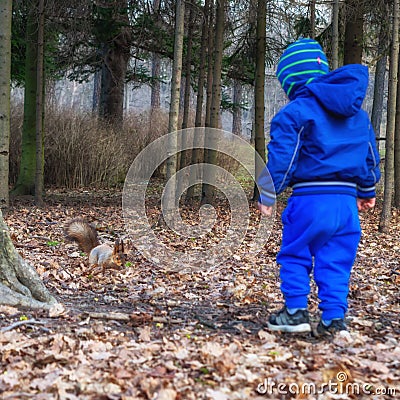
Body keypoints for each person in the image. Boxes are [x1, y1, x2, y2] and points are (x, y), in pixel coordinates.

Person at [257, 38, 381, 335]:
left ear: (291, 81)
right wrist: (366, 191)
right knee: (337, 259)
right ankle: (334, 319)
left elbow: (282, 157)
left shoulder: (294, 113)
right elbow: (369, 156)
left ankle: (296, 312)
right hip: (346, 204)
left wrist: (268, 190)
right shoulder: (358, 115)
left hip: (311, 199)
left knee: (295, 253)